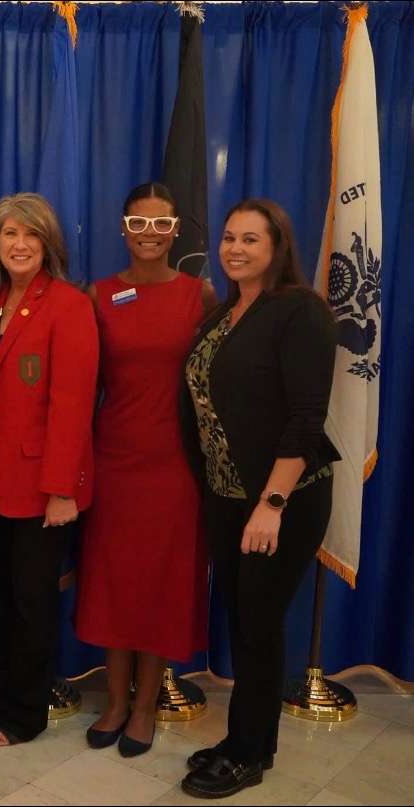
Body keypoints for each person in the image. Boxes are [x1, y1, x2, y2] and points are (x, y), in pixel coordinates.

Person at [178, 199, 339, 799]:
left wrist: (271, 504)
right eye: (229, 238)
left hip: (280, 499)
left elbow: (306, 417)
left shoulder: (300, 311)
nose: (236, 249)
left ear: (278, 247)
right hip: (227, 493)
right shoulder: (225, 312)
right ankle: (242, 739)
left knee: (260, 626)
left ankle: (249, 753)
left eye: (250, 239)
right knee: (244, 622)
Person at [74, 183, 218, 756]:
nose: (150, 235)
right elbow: (82, 383)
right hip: (113, 459)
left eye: (161, 224)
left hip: (175, 464)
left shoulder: (199, 294)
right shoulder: (99, 294)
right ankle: (114, 701)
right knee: (113, 581)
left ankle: (143, 707)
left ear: (177, 230)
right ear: (123, 228)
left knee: (159, 583)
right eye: (139, 223)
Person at [0, 193, 99, 747]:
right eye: (9, 234)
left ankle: (25, 714)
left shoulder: (69, 305)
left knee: (32, 602)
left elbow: (73, 404)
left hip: (43, 487)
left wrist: (61, 489)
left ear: (49, 245)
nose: (19, 244)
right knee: (0, 598)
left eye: (31, 235)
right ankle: (0, 700)